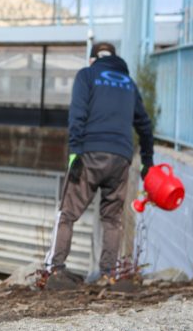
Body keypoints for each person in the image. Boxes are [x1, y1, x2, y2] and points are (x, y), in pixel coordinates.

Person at [45, 42, 154, 286]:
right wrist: (148, 161)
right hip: (121, 159)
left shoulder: (87, 75)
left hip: (90, 153)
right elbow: (145, 126)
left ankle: (55, 270)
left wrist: (74, 152)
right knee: (112, 220)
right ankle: (108, 275)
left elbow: (77, 114)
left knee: (67, 214)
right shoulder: (129, 84)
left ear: (93, 59)